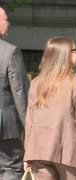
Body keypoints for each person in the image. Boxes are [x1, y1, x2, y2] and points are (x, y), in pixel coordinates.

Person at [23, 37, 76, 180]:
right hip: (69, 154)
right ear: (64, 54)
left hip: (38, 152)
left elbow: (30, 122)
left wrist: (27, 154)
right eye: (75, 51)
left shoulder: (36, 82)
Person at [0, 7, 29, 180]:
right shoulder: (10, 51)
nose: (8, 24)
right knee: (10, 167)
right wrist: (30, 129)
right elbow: (20, 93)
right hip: (5, 125)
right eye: (6, 20)